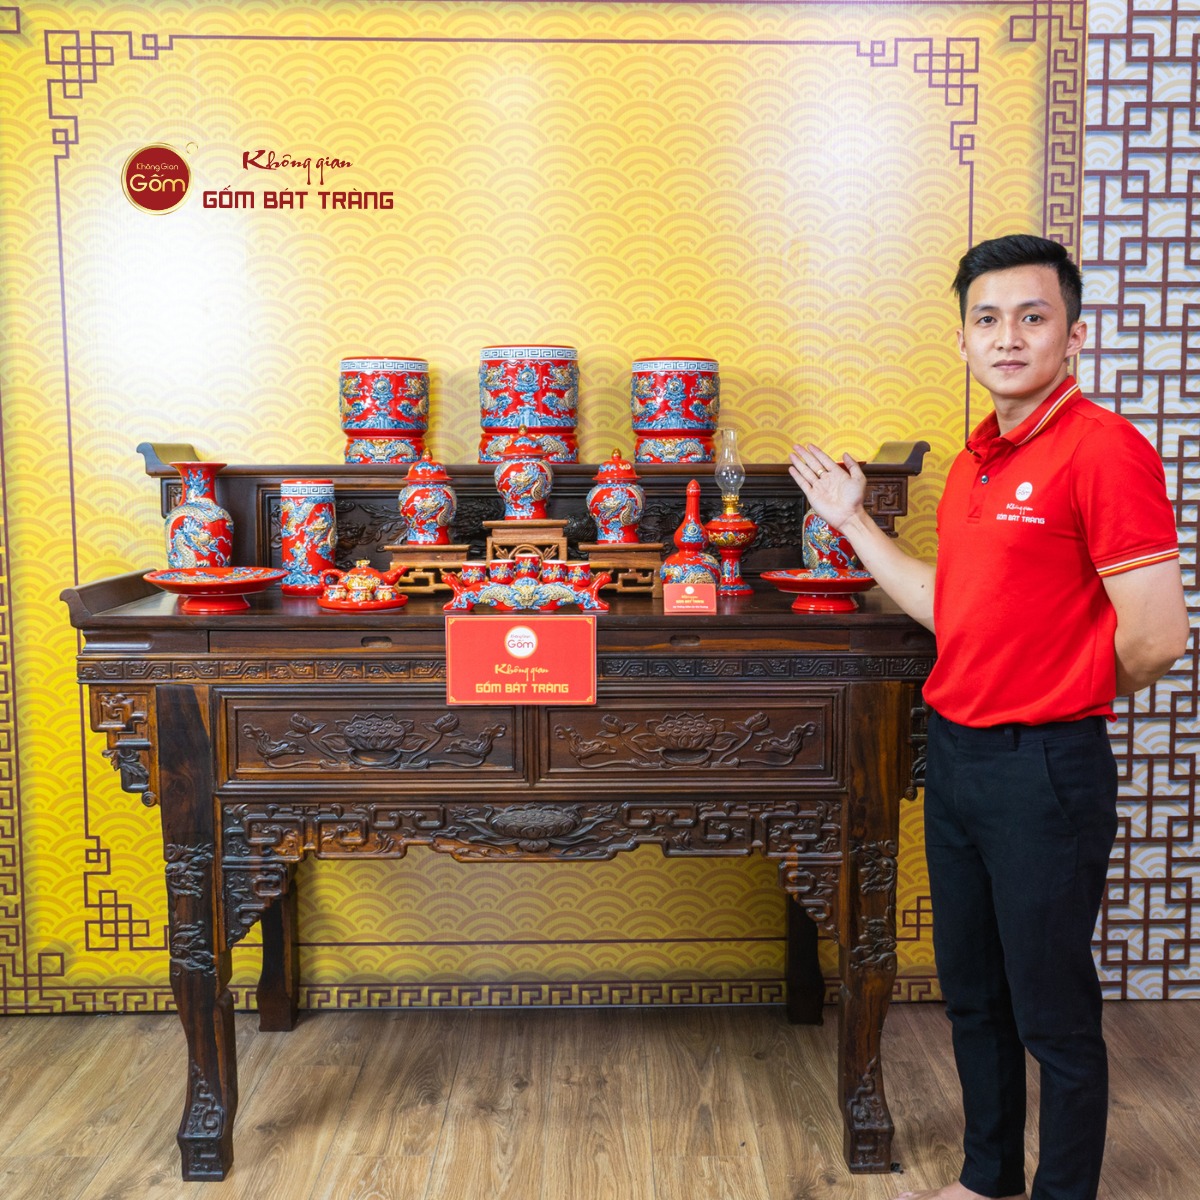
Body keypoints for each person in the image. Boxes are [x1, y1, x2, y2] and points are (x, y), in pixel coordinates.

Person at [789, 233, 1190, 1200]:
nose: (1008, 337)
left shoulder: (1105, 450)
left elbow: (1157, 636)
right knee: (974, 996)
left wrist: (1058, 692)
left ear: (1073, 335)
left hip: (1044, 769)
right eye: (987, 318)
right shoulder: (975, 463)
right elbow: (950, 608)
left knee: (1053, 1012)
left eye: (1032, 316)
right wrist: (852, 521)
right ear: (963, 339)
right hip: (959, 761)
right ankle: (987, 1180)